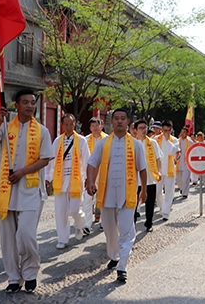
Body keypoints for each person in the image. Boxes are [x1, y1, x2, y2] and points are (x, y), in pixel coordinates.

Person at [0, 89, 54, 294]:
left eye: (33, 102)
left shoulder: (42, 130)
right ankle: (14, 277)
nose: (30, 106)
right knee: (7, 238)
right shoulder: (6, 127)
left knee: (26, 234)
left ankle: (30, 272)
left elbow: (45, 158)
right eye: (26, 102)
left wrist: (23, 171)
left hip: (31, 190)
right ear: (17, 105)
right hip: (6, 190)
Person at [85, 109, 147, 283]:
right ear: (111, 122)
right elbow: (92, 163)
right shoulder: (103, 144)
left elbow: (142, 168)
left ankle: (122, 267)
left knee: (127, 232)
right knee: (110, 230)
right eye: (116, 119)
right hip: (107, 194)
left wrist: (144, 190)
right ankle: (114, 255)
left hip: (128, 195)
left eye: (123, 119)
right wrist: (90, 181)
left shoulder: (135, 145)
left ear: (128, 121)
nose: (119, 122)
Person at [45, 113, 90, 249]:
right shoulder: (57, 141)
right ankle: (62, 239)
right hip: (60, 180)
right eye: (66, 124)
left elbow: (87, 161)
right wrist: (47, 177)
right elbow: (51, 161)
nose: (69, 127)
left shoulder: (81, 141)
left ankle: (79, 225)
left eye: (71, 124)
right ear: (62, 125)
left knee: (74, 209)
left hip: (76, 179)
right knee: (61, 211)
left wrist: (88, 178)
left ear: (74, 124)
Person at [133, 119, 161, 232]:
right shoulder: (132, 142)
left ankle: (149, 223)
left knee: (150, 202)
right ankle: (132, 224)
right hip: (135, 178)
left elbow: (158, 158)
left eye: (145, 128)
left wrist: (159, 171)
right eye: (141, 128)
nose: (144, 130)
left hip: (150, 177)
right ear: (135, 130)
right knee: (134, 203)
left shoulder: (153, 142)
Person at [83, 117, 107, 232]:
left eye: (97, 125)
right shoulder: (85, 140)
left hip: (104, 173)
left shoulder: (107, 139)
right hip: (90, 174)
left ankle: (103, 221)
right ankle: (87, 224)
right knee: (87, 198)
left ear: (101, 126)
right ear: (90, 128)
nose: (95, 128)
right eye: (92, 126)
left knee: (103, 198)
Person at [156, 120, 179, 220]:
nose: (167, 133)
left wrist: (167, 140)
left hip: (170, 170)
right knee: (157, 191)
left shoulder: (174, 140)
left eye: (169, 130)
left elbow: (172, 151)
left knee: (169, 191)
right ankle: (161, 206)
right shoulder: (155, 139)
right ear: (161, 129)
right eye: (165, 130)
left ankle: (166, 212)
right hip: (158, 169)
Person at [175, 127, 193, 198]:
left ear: (187, 133)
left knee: (186, 179)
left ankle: (185, 193)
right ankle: (182, 188)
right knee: (178, 179)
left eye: (184, 132)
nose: (182, 134)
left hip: (186, 163)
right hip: (178, 163)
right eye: (181, 132)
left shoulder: (190, 142)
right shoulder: (177, 141)